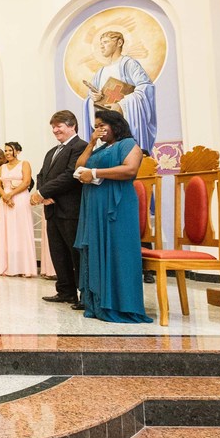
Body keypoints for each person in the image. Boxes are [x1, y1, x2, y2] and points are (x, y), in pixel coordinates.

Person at [74, 109, 153, 323]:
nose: (98, 130)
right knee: (94, 249)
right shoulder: (99, 149)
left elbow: (129, 170)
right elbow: (79, 167)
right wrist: (90, 144)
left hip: (116, 206)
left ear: (115, 125)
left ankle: (122, 304)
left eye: (102, 125)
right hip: (94, 206)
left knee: (118, 250)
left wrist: (96, 173)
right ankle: (97, 303)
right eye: (95, 127)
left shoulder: (128, 144)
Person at [32, 110, 88, 308]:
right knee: (58, 253)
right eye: (53, 127)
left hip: (70, 209)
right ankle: (65, 291)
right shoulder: (52, 151)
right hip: (52, 209)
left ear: (72, 126)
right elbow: (41, 175)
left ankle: (84, 295)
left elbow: (70, 175)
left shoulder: (80, 147)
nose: (55, 130)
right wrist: (42, 192)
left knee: (76, 254)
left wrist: (43, 193)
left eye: (59, 126)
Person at [83, 29, 157, 154]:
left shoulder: (129, 64)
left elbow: (145, 88)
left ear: (119, 43)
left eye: (105, 42)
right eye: (101, 43)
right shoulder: (100, 72)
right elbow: (91, 98)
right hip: (105, 126)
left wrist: (121, 105)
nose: (101, 46)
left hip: (124, 123)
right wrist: (93, 98)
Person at [0, 141, 37, 277]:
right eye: (5, 150)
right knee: (6, 231)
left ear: (17, 151)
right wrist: (5, 196)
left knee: (20, 230)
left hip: (19, 199)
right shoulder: (2, 167)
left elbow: (26, 182)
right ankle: (7, 266)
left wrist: (11, 194)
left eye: (10, 150)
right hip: (5, 200)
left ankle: (25, 268)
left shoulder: (24, 164)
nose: (7, 153)